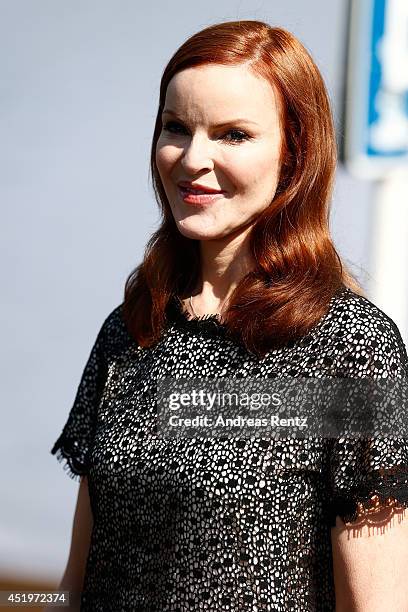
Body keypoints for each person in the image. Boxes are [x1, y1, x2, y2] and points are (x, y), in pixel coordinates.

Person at [49, 20, 408, 612]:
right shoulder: (131, 330)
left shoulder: (351, 348)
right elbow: (73, 589)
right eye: (176, 128)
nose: (193, 159)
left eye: (233, 135)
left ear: (295, 153)